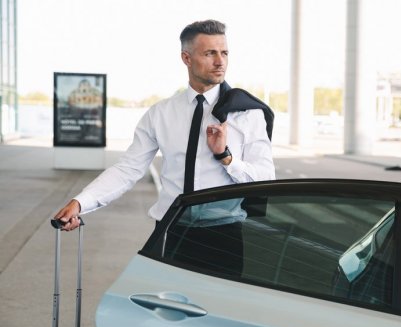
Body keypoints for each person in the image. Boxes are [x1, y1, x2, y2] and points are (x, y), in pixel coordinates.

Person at [53, 19, 275, 234]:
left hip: (226, 233)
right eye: (210, 53)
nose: (220, 62)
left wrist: (226, 157)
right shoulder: (160, 114)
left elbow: (265, 180)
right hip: (169, 229)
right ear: (186, 58)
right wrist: (81, 202)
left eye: (224, 53)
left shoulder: (247, 114)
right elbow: (128, 169)